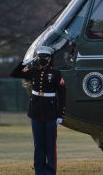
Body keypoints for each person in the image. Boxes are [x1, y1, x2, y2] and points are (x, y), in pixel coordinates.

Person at [10, 46, 66, 175]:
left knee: (50, 144)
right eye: (40, 56)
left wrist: (60, 114)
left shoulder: (56, 74)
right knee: (38, 143)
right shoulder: (33, 71)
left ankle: (50, 171)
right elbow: (14, 74)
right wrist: (23, 63)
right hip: (35, 112)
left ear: (49, 58)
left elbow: (62, 95)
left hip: (51, 112)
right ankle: (39, 171)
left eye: (44, 57)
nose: (42, 59)